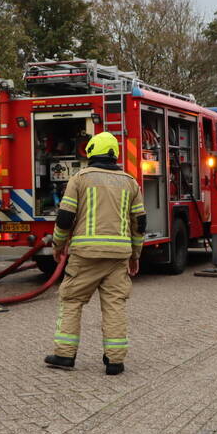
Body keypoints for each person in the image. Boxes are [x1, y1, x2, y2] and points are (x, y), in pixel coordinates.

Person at [44, 132, 146, 375]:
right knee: (114, 306)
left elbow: (65, 218)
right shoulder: (130, 182)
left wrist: (57, 246)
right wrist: (136, 255)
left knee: (71, 301)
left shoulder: (79, 179)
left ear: (90, 152)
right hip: (118, 256)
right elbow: (139, 223)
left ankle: (64, 355)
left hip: (85, 255)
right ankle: (115, 361)